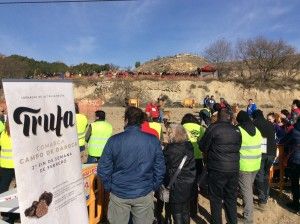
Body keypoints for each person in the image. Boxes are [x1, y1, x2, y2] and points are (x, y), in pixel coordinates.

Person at [98, 107, 165, 224]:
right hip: (142, 192)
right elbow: (160, 168)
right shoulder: (153, 140)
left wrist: (110, 187)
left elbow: (103, 168)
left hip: (120, 192)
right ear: (141, 121)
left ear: (126, 120)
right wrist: (153, 186)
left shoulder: (114, 140)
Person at [199, 109, 242, 224]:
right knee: (231, 198)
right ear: (229, 117)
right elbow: (238, 146)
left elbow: (202, 146)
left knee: (216, 199)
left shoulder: (213, 128)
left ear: (218, 117)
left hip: (217, 169)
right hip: (233, 169)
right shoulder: (236, 129)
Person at [163, 124, 196, 224]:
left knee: (177, 212)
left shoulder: (170, 149)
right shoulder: (189, 146)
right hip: (189, 182)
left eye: (169, 133)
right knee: (185, 210)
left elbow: (165, 165)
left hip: (176, 184)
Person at [236, 111, 262, 224]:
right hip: (256, 165)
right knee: (247, 189)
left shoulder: (239, 131)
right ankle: (245, 208)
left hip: (244, 166)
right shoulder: (257, 130)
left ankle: (248, 219)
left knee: (247, 192)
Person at [181, 113, 206, 217]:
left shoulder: (181, 127)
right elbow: (203, 144)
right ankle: (194, 210)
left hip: (184, 159)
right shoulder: (200, 128)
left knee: (185, 183)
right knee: (195, 184)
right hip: (198, 158)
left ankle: (185, 208)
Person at [252, 110, 276, 209]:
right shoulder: (270, 124)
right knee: (266, 175)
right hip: (272, 153)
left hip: (262, 153)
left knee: (260, 175)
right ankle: (266, 196)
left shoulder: (255, 123)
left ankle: (262, 200)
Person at [280, 118, 300, 214]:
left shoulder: (294, 131)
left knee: (295, 183)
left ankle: (296, 204)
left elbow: (283, 141)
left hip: (296, 160)